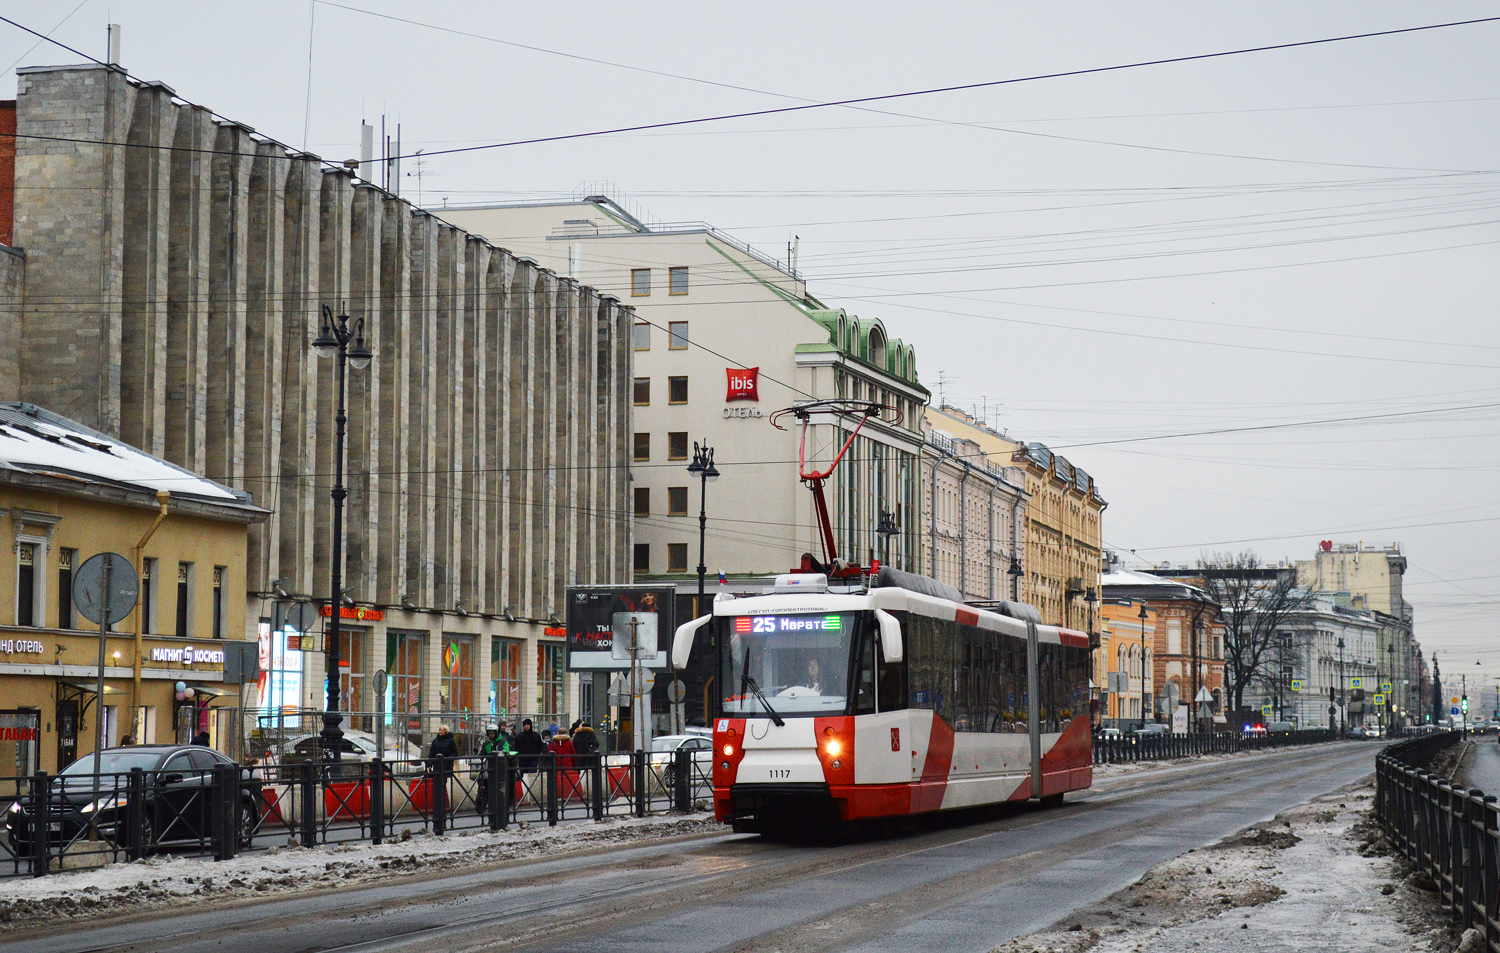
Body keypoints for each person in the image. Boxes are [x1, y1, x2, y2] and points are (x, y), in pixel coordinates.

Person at [477, 723, 511, 817]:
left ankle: (503, 808)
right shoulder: (486, 743)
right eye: (489, 733)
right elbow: (482, 754)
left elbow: (506, 753)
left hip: (501, 769)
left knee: (501, 788)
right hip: (489, 769)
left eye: (493, 733)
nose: (491, 735)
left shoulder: (503, 742)